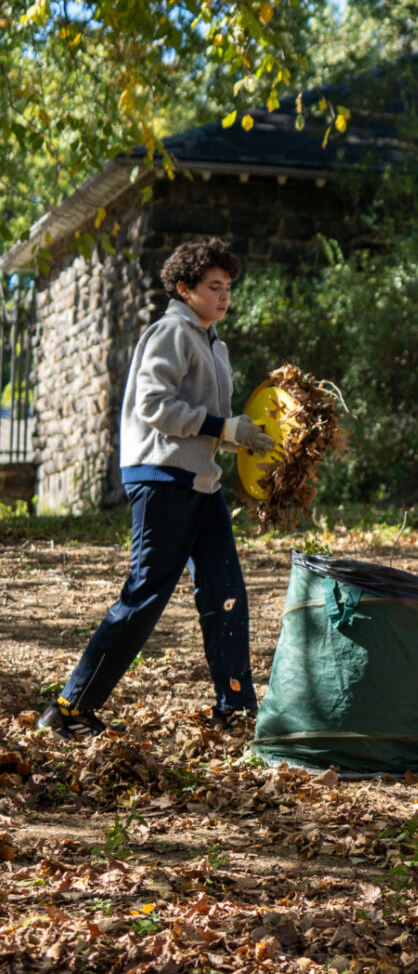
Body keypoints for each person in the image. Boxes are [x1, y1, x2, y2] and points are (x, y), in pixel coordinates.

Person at [41, 238, 276, 741]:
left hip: (201, 482)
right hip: (161, 478)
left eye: (228, 287)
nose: (224, 296)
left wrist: (246, 442)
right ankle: (68, 708)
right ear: (184, 288)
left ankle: (234, 707)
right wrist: (226, 428)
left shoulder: (215, 343)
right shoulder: (171, 332)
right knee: (146, 594)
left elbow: (206, 428)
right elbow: (154, 406)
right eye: (214, 287)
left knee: (226, 591)